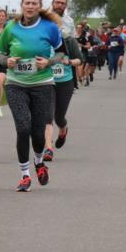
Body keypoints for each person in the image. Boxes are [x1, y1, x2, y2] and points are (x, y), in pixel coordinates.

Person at [0, 0, 63, 192]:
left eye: (34, 3)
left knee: (38, 133)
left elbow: (61, 53)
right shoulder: (11, 27)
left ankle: (39, 162)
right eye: (27, 3)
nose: (30, 6)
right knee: (23, 128)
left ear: (39, 6)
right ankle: (25, 175)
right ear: (21, 5)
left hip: (42, 84)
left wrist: (48, 62)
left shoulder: (49, 27)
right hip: (16, 84)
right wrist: (8, 61)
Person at [43, 17, 82, 161]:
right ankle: (48, 148)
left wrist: (69, 61)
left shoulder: (68, 40)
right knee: (48, 115)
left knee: (59, 116)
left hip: (65, 82)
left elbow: (80, 60)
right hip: (46, 81)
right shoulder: (41, 41)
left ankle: (63, 129)